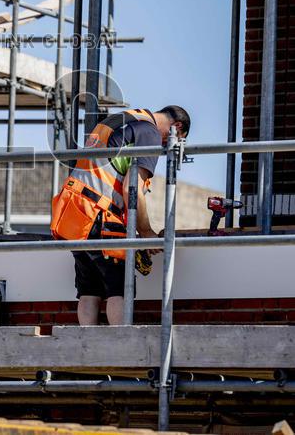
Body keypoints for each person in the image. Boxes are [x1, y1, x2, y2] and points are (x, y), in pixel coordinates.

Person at [51, 105, 191, 326]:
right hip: (101, 214)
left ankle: (89, 349)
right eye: (172, 141)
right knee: (119, 287)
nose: (165, 148)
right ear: (177, 127)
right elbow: (131, 189)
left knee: (89, 288)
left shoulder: (123, 119)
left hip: (75, 214)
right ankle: (121, 344)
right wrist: (145, 232)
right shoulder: (150, 132)